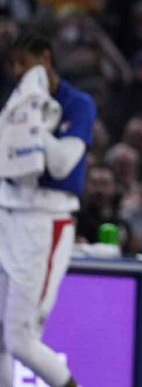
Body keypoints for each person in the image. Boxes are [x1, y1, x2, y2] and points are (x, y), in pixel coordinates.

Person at [0, 29, 96, 387]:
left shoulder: (77, 103)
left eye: (22, 63)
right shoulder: (14, 102)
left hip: (45, 221)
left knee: (22, 340)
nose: (16, 72)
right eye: (12, 65)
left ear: (44, 58)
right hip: (7, 211)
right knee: (1, 338)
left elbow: (61, 165)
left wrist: (32, 128)